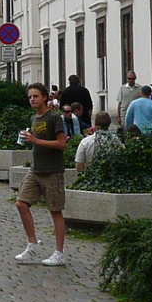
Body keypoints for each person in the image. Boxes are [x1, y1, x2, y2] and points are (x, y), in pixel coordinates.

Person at [12, 84, 70, 267]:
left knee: (55, 211)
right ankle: (33, 243)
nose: (32, 99)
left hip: (52, 171)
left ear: (45, 97)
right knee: (21, 203)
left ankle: (59, 253)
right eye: (30, 97)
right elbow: (37, 141)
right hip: (35, 170)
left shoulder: (54, 117)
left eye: (35, 96)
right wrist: (27, 138)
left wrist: (36, 140)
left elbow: (62, 144)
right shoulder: (33, 118)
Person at [73, 111, 116, 176]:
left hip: (91, 178)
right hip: (112, 178)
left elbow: (79, 167)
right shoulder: (115, 141)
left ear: (95, 124)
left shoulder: (85, 142)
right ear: (109, 123)